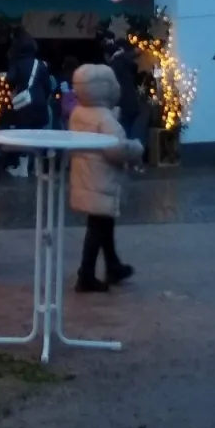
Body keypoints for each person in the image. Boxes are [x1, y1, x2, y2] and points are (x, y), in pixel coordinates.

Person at [67, 63, 143, 293]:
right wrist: (136, 149)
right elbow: (116, 149)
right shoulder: (105, 118)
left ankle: (112, 264)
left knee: (103, 221)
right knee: (98, 224)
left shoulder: (78, 112)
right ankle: (86, 274)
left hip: (86, 175)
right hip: (101, 178)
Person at [2, 32, 52, 177]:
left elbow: (9, 81)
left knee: (22, 135)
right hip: (40, 104)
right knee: (38, 135)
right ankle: (37, 168)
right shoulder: (40, 64)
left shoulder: (17, 63)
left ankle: (22, 169)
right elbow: (48, 86)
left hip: (24, 105)